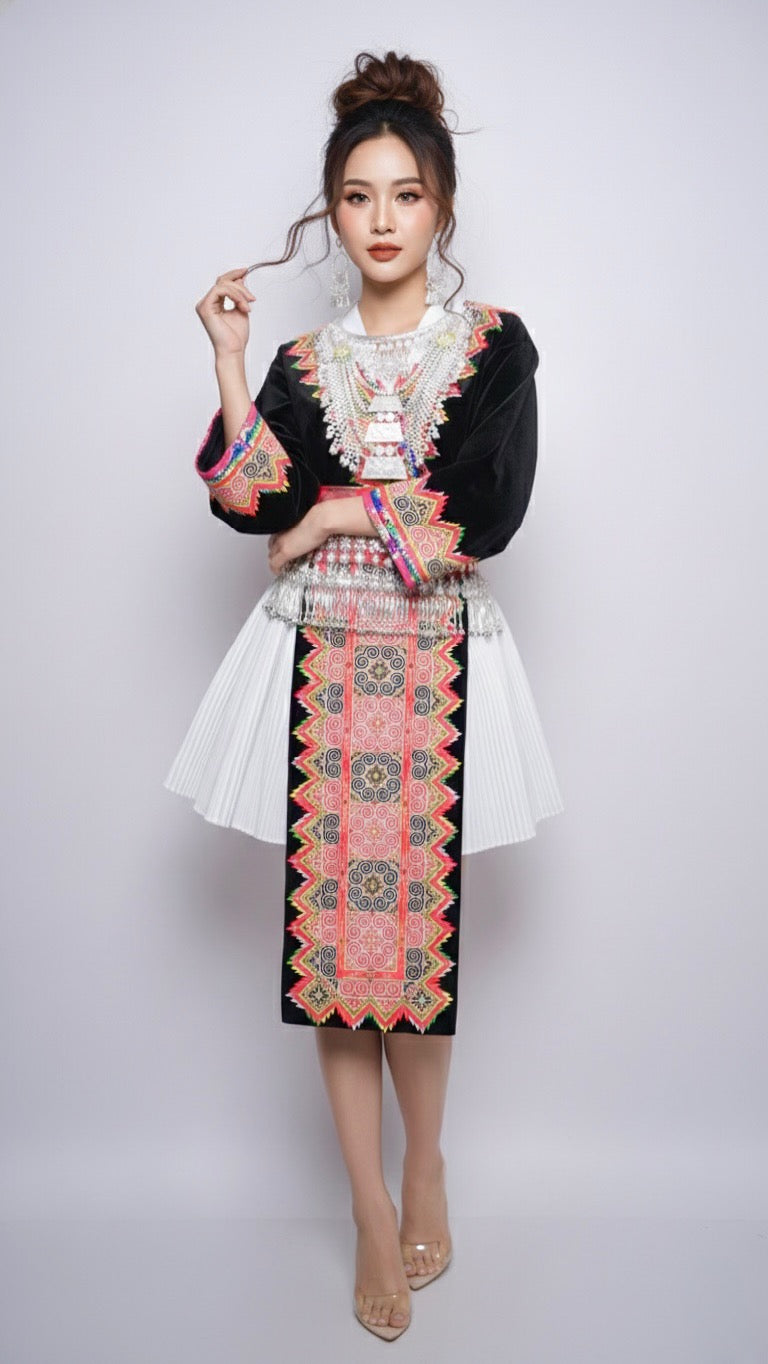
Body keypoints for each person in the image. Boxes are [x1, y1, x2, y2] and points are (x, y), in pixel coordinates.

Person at [164, 49, 564, 1342]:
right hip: (321, 665)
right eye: (356, 195)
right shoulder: (300, 358)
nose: (382, 219)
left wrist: (330, 514)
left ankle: (426, 1164)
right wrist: (232, 361)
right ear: (330, 211)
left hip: (436, 665)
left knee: (418, 950)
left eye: (406, 194)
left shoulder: (492, 349)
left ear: (440, 205)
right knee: (333, 956)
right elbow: (252, 503)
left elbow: (483, 512)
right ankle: (369, 1210)